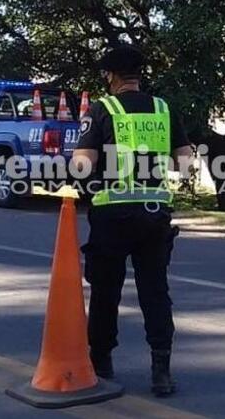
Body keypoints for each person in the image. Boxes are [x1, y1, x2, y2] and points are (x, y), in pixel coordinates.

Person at [72, 45, 192, 397]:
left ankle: (102, 363)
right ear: (139, 74)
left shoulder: (102, 109)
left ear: (111, 75)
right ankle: (161, 371)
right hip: (154, 215)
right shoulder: (162, 109)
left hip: (112, 215)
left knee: (106, 291)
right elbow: (185, 163)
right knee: (155, 291)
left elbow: (83, 164)